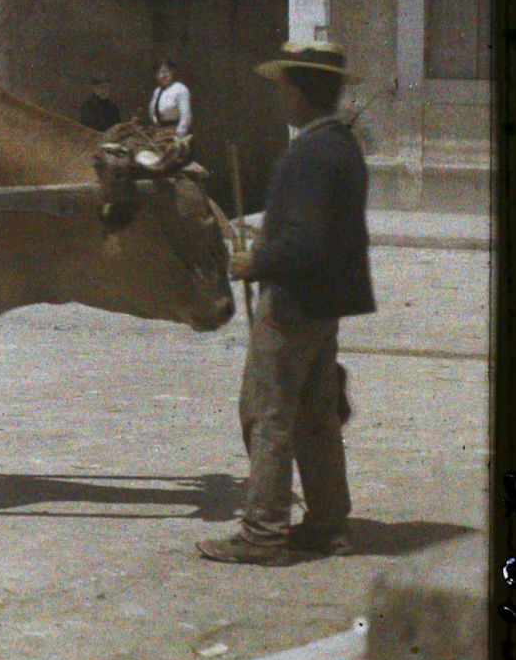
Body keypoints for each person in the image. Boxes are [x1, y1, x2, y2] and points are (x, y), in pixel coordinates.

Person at [200, 41, 374, 566]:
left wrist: (254, 261)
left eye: (284, 88)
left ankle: (263, 534)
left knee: (266, 413)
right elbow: (316, 233)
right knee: (315, 416)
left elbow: (305, 242)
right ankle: (327, 525)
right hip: (323, 305)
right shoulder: (342, 146)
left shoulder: (310, 153)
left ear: (302, 92)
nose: (280, 98)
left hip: (292, 305)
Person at [148, 58, 192, 138]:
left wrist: (178, 135)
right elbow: (152, 113)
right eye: (158, 73)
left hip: (176, 134)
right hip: (161, 133)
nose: (161, 76)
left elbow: (186, 116)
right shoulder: (157, 92)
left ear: (171, 72)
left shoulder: (180, 89)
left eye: (164, 72)